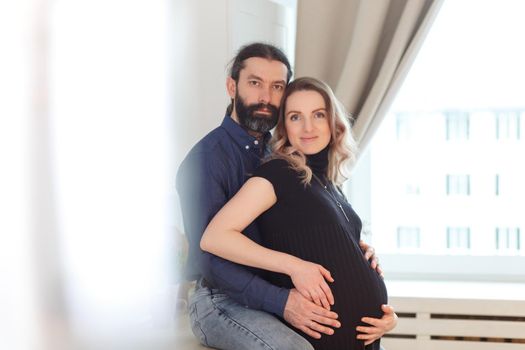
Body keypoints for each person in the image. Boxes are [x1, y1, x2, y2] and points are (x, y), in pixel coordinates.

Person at [177, 43, 392, 350]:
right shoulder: (207, 159)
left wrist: (355, 250)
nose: (266, 97)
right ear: (231, 86)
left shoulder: (290, 155)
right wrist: (283, 299)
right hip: (221, 299)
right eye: (255, 83)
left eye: (277, 86)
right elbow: (210, 256)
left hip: (271, 290)